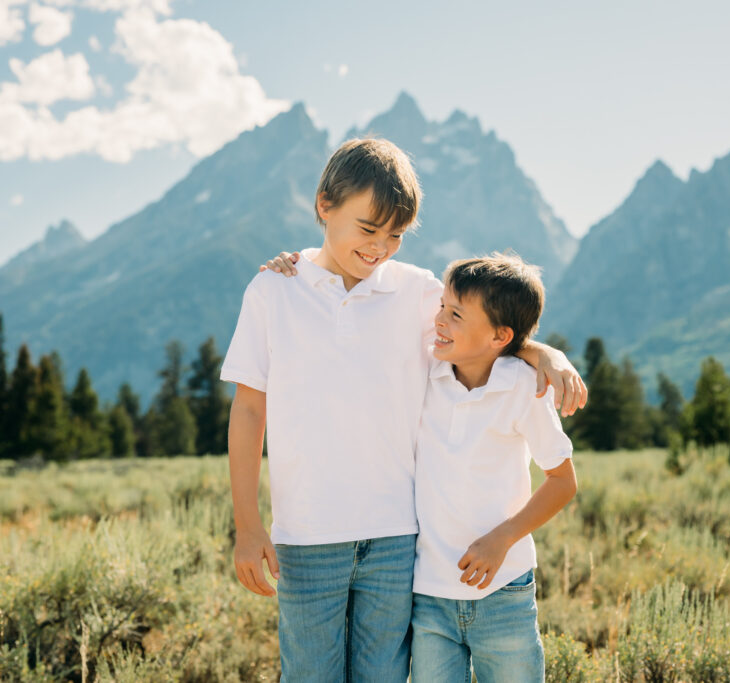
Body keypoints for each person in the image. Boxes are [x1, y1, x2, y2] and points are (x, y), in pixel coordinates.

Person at [222, 138, 585, 681]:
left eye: (394, 235)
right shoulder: (274, 290)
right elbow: (250, 410)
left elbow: (482, 326)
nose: (379, 248)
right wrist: (247, 526)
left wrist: (542, 351)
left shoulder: (417, 291)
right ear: (324, 205)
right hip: (305, 538)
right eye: (368, 230)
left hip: (397, 541)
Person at [410, 254, 576, 682]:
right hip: (428, 595)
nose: (440, 321)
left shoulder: (526, 388)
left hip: (504, 592)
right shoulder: (424, 373)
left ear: (500, 336)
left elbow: (562, 482)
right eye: (442, 308)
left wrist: (502, 538)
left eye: (456, 315)